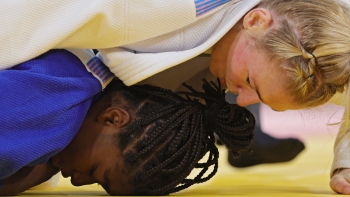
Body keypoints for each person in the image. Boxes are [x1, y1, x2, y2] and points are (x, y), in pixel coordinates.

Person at [1, 0, 350, 194]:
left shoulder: (320, 55)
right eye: (250, 82)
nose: (242, 100)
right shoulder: (166, 5)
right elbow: (28, 16)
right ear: (256, 20)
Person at [0, 49, 255, 196]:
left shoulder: (85, 83)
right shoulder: (55, 112)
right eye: (95, 172)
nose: (77, 181)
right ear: (113, 118)